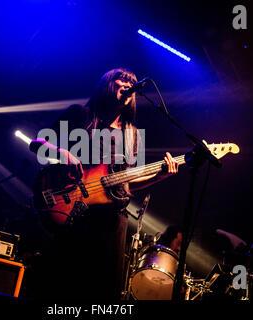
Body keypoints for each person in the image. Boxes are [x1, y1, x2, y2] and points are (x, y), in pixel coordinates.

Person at [29, 68, 178, 300]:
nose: (128, 85)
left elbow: (126, 182)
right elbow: (36, 143)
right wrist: (62, 153)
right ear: (107, 84)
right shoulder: (80, 114)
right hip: (76, 212)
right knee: (65, 286)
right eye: (123, 80)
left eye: (132, 83)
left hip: (111, 220)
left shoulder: (132, 133)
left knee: (102, 292)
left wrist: (159, 176)